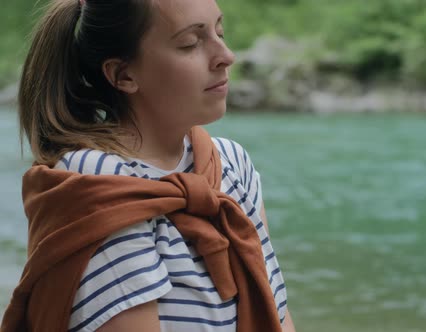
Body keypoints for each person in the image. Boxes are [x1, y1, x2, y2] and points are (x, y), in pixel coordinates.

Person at [2, 0, 296, 331]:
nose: (226, 56)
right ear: (123, 74)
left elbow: (278, 314)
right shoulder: (98, 182)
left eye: (219, 32)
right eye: (190, 43)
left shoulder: (230, 163)